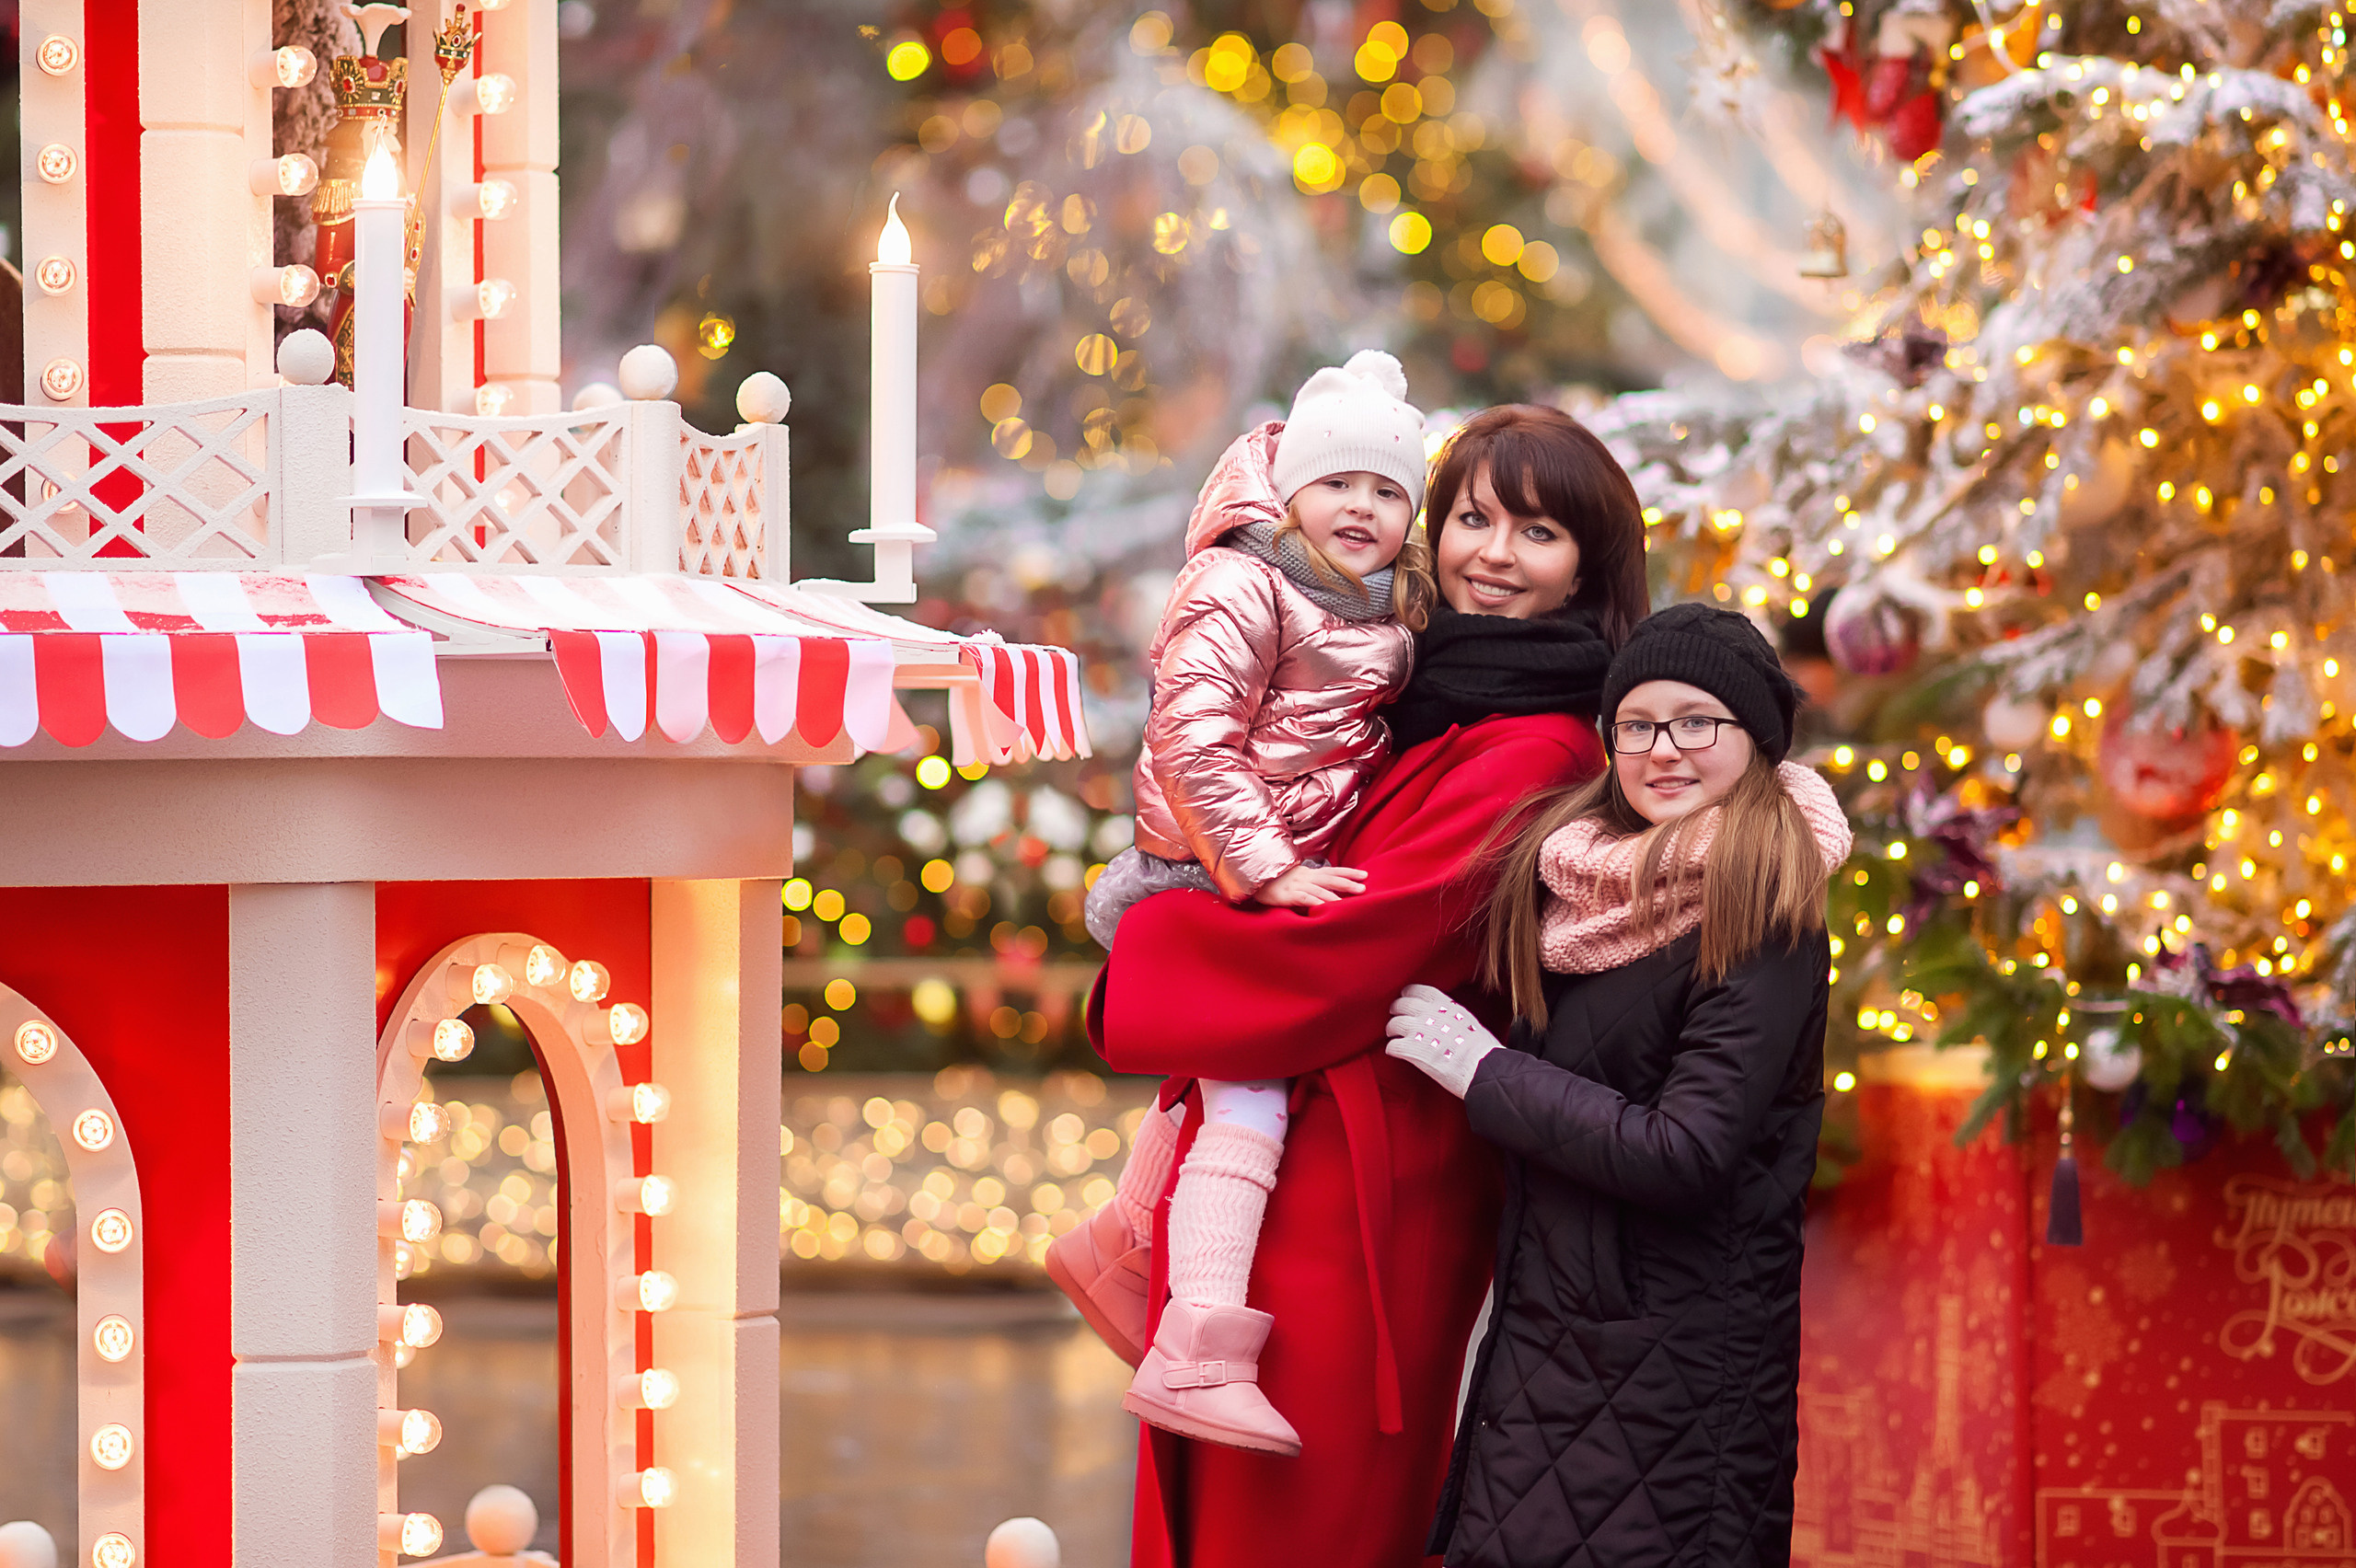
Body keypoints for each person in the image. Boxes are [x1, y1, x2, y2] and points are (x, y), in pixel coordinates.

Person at [1080, 404, 1650, 1568]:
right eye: (1472, 517)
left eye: (1535, 533)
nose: (1489, 552)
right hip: (1287, 1149)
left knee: (1297, 1510)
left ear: (1589, 566)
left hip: (1363, 1184)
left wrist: (1146, 949)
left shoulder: (1537, 748)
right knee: (1219, 1473)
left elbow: (1351, 946)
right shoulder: (1415, 695)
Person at [1384, 602, 1854, 1568]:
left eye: (1697, 722)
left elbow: (1684, 1152)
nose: (1662, 750)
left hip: (1673, 1379)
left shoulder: (1763, 910)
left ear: (1755, 741)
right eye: (1636, 724)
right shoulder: (1577, 890)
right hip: (1551, 1347)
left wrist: (1483, 1070)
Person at [1063, 350, 1437, 1454]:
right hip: (1208, 867)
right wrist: (1263, 865)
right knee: (1251, 1096)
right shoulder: (1241, 580)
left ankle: (1120, 1243)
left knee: (1214, 1075)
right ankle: (1197, 1348)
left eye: (1386, 491)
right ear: (1290, 491)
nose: (1360, 508)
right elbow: (1189, 734)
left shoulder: (1375, 603)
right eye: (1338, 486)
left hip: (1267, 856)